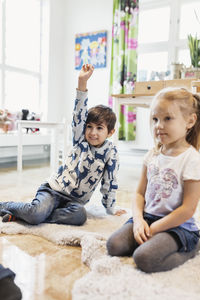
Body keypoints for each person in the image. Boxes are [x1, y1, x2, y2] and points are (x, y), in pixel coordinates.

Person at [0, 64, 125, 226]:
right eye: (89, 126)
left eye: (99, 128)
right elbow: (79, 113)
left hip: (74, 201)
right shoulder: (81, 140)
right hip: (53, 190)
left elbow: (110, 181)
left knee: (80, 216)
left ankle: (31, 215)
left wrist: (110, 207)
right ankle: (6, 206)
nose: (93, 132)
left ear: (110, 132)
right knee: (36, 213)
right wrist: (82, 82)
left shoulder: (111, 152)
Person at [106, 87, 200, 273]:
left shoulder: (192, 159)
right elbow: (140, 193)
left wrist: (156, 228)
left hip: (178, 226)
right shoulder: (152, 154)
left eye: (167, 118)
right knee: (114, 245)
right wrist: (139, 221)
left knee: (144, 258)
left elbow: (188, 209)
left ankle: (194, 247)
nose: (158, 125)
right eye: (155, 119)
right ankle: (151, 240)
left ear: (190, 121)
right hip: (148, 218)